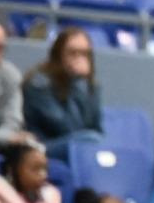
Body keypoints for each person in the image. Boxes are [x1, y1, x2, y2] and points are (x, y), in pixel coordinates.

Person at [21, 31, 102, 165]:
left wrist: (81, 85)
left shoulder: (90, 86)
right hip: (42, 146)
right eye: (73, 53)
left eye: (84, 54)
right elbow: (67, 127)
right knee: (91, 140)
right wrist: (78, 82)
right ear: (59, 55)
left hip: (79, 143)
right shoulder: (39, 84)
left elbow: (97, 128)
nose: (79, 59)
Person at [0, 26, 32, 149]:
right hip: (2, 139)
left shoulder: (10, 75)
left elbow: (13, 121)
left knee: (32, 151)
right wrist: (5, 137)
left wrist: (5, 137)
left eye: (0, 48)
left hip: (1, 144)